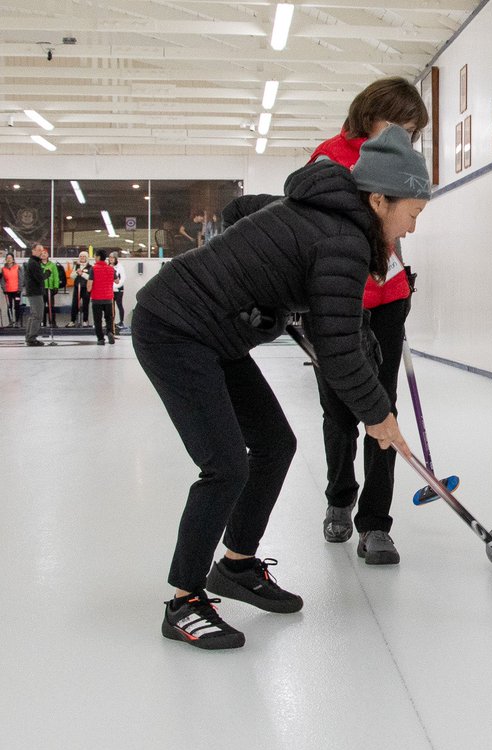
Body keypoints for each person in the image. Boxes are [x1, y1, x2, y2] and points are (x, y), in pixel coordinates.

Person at [133, 125, 430, 650]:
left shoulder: (328, 217)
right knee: (225, 465)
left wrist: (263, 290)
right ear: (379, 199)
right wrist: (380, 416)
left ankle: (238, 565)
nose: (410, 227)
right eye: (412, 212)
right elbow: (336, 351)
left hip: (214, 334)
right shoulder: (342, 239)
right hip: (175, 328)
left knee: (275, 443)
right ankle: (183, 602)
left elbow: (245, 212)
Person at [309, 77, 428, 565]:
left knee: (382, 407)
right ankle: (340, 497)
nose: (404, 136)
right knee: (339, 408)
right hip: (338, 299)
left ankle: (376, 523)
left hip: (389, 296)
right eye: (398, 124)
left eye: (412, 130)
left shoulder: (401, 160)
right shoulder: (329, 156)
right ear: (370, 114)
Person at [89, 252, 115, 345]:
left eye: (95, 256)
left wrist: (89, 290)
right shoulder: (111, 269)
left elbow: (89, 285)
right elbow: (116, 280)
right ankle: (110, 332)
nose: (95, 258)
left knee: (98, 319)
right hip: (108, 298)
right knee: (109, 318)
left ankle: (100, 339)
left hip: (97, 298)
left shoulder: (93, 268)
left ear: (99, 257)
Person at [23, 245, 47, 346]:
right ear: (33, 251)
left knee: (34, 314)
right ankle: (31, 338)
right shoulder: (33, 263)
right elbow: (39, 278)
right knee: (37, 315)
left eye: (42, 250)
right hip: (35, 292)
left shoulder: (34, 262)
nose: (41, 252)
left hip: (33, 291)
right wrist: (47, 274)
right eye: (38, 250)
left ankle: (29, 336)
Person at [70, 251, 92, 327]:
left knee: (86, 304)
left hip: (86, 288)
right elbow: (71, 276)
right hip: (77, 287)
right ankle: (73, 321)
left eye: (84, 256)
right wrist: (77, 272)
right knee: (74, 304)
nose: (82, 258)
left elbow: (90, 277)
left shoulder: (90, 267)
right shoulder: (76, 266)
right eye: (81, 256)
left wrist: (82, 274)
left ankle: (85, 321)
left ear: (87, 258)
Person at [109, 253, 127, 331]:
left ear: (116, 259)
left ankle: (121, 321)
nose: (111, 259)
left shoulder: (120, 267)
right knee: (111, 306)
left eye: (113, 258)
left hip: (119, 289)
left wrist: (116, 286)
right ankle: (111, 322)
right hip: (110, 289)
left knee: (119, 304)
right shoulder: (107, 266)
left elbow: (122, 278)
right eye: (110, 258)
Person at [2, 253, 20, 326]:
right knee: (9, 306)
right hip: (8, 291)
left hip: (17, 291)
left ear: (13, 259)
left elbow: (21, 278)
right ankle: (10, 322)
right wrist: (4, 289)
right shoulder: (3, 269)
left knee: (17, 306)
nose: (9, 259)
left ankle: (17, 322)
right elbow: (2, 280)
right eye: (7, 258)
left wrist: (20, 288)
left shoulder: (18, 267)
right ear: (6, 260)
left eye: (10, 258)